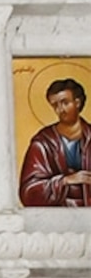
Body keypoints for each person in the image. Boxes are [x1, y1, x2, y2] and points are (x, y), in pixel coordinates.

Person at [19, 75, 91, 207]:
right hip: (57, 214)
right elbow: (29, 192)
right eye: (55, 105)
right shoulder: (43, 142)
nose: (60, 110)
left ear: (77, 102)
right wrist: (64, 181)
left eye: (65, 103)